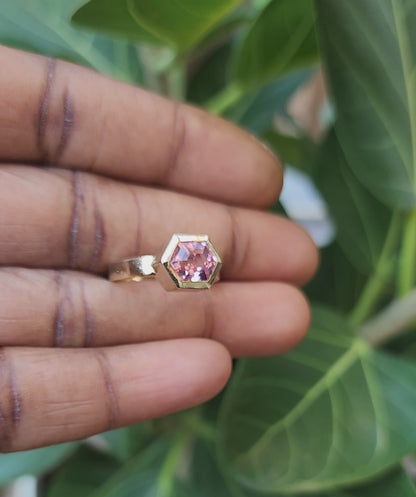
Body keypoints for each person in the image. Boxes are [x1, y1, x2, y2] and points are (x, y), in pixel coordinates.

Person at [0, 44, 318, 453]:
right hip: (147, 266)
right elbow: (143, 270)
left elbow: (176, 269)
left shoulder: (176, 265)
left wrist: (143, 271)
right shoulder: (149, 267)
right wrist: (136, 271)